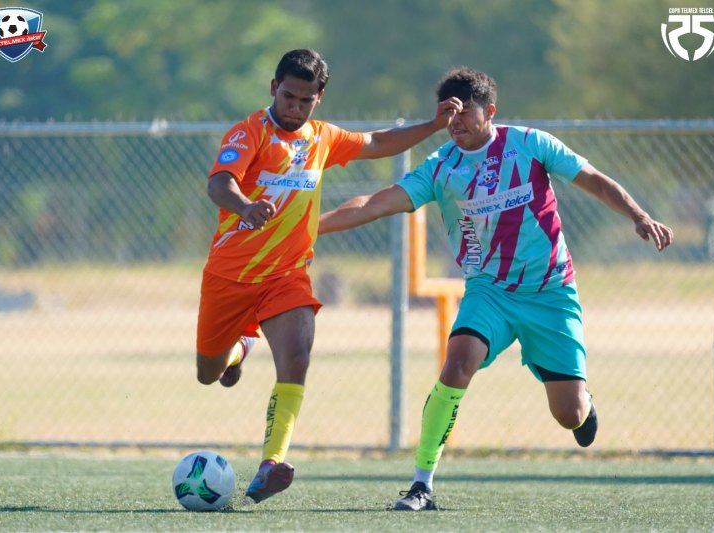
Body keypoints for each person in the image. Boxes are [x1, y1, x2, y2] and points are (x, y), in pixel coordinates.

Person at [318, 66, 674, 511]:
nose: (456, 122)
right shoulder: (441, 167)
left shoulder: (531, 144)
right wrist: (309, 228)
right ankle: (421, 484)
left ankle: (583, 400)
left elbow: (594, 180)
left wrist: (639, 215)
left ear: (490, 111)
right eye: (448, 114)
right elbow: (373, 203)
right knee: (457, 363)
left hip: (550, 291)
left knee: (570, 415)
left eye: (465, 112)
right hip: (490, 292)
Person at [196, 48, 462, 504]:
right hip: (230, 277)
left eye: (305, 100)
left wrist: (434, 125)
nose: (294, 107)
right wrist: (244, 206)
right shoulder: (249, 132)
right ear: (273, 88)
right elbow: (219, 183)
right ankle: (239, 349)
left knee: (297, 357)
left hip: (287, 275)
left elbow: (377, 143)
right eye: (288, 96)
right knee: (208, 372)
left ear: (318, 99)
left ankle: (270, 464)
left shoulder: (322, 137)